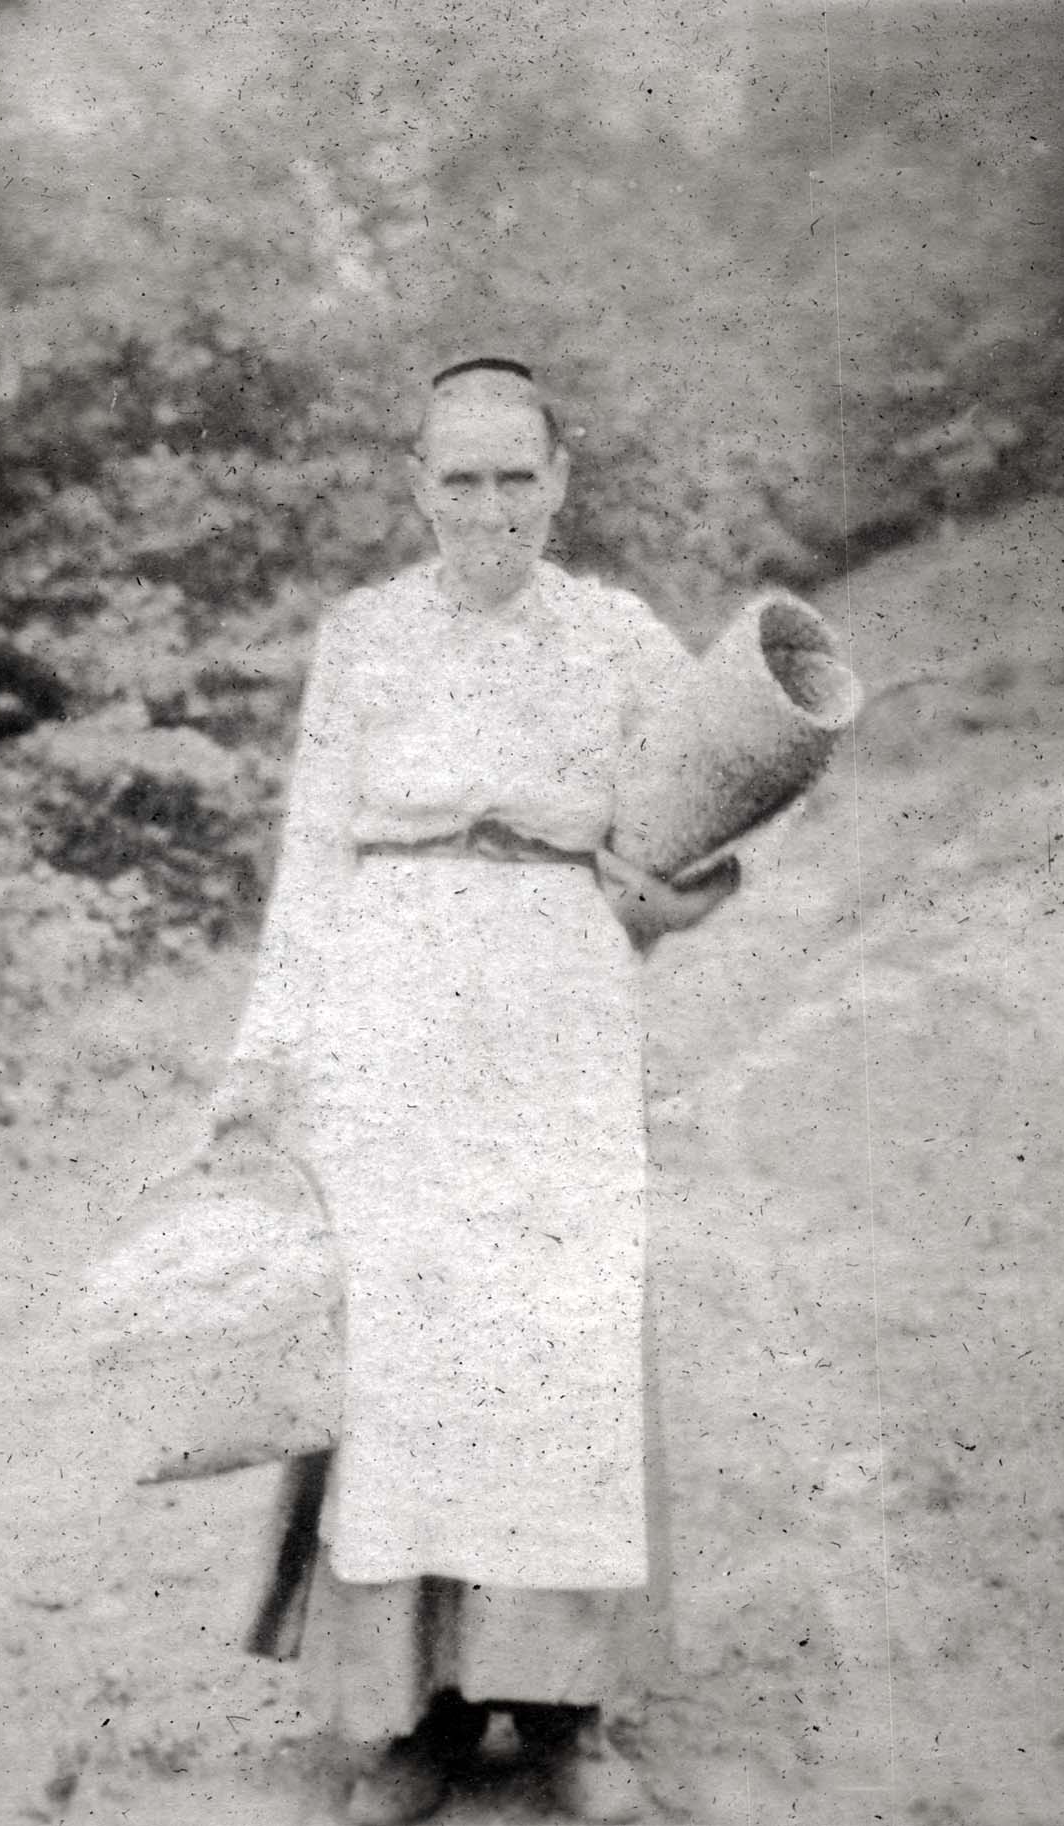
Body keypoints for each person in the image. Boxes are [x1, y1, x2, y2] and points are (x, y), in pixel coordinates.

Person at [212, 357, 738, 1825]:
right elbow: (311, 856)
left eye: (518, 476)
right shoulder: (365, 636)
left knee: (558, 1344)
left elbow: (709, 807)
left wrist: (664, 891)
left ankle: (567, 1712)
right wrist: (266, 1056)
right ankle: (415, 1718)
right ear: (418, 487)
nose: (492, 506)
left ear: (560, 480)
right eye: (462, 478)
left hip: (559, 1009)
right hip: (392, 1007)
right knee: (411, 1354)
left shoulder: (620, 636)